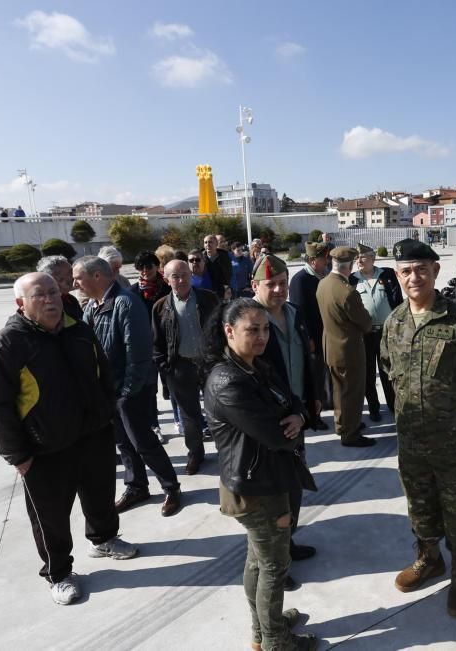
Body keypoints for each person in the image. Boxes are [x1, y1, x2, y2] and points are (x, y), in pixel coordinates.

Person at [0, 273, 138, 605]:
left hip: (93, 435)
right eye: (40, 295)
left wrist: (108, 412)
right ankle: (59, 573)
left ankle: (103, 539)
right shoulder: (7, 344)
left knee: (100, 497)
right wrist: (17, 454)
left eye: (54, 292)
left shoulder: (78, 331)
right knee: (50, 518)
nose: (50, 300)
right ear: (20, 303)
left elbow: (103, 374)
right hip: (44, 450)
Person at [380, 239, 456, 618]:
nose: (413, 277)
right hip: (411, 440)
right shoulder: (394, 321)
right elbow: (388, 370)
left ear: (434, 271)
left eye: (420, 269)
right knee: (419, 503)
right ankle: (428, 557)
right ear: (398, 276)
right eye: (405, 271)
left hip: (453, 441)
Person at [204, 298, 318, 651]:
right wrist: (294, 422)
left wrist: (298, 416)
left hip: (265, 477)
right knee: (273, 565)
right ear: (229, 331)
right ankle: (275, 640)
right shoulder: (228, 380)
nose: (261, 336)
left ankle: (262, 629)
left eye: (266, 328)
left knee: (259, 559)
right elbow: (273, 434)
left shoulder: (255, 366)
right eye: (252, 330)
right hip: (257, 486)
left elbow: (292, 401)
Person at [73, 256, 182, 516]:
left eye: (79, 277)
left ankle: (171, 487)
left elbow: (138, 354)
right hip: (109, 391)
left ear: (97, 276)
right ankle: (136, 486)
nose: (75, 283)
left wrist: (126, 392)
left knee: (143, 441)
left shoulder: (125, 303)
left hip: (129, 390)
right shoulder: (93, 306)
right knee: (122, 443)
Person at [251, 253, 321, 585]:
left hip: (297, 415)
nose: (279, 290)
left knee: (293, 486)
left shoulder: (293, 314)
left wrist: (313, 397)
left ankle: (287, 544)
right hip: (268, 424)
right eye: (271, 284)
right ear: (255, 286)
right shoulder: (247, 320)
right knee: (270, 498)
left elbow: (309, 356)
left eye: (282, 283)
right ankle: (273, 568)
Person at [153, 259, 220, 475]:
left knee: (218, 410)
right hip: (180, 368)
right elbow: (156, 343)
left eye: (184, 274)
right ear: (166, 278)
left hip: (209, 365)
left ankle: (227, 451)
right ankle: (195, 454)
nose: (181, 280)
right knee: (189, 416)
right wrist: (165, 367)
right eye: (175, 276)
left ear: (191, 275)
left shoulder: (208, 298)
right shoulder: (161, 306)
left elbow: (222, 330)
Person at [317, 246, 375, 447]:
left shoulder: (323, 284)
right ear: (349, 265)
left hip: (330, 347)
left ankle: (342, 425)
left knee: (339, 391)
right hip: (348, 350)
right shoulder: (347, 291)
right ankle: (351, 434)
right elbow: (365, 323)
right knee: (352, 393)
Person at [351, 243, 403, 420]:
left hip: (385, 333)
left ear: (372, 258)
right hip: (364, 334)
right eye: (357, 258)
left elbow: (397, 301)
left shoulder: (386, 275)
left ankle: (392, 404)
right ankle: (373, 408)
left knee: (388, 370)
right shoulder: (352, 279)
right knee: (368, 374)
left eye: (362, 257)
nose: (358, 260)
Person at [131, 251, 172, 444]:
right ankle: (154, 424)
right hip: (145, 347)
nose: (145, 271)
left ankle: (184, 421)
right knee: (149, 389)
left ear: (157, 267)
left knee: (171, 386)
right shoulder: (133, 291)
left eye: (149, 266)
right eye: (141, 267)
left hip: (167, 344)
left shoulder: (167, 288)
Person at [289, 242, 330, 408]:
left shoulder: (322, 276)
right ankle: (315, 414)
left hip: (325, 336)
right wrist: (309, 339)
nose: (326, 262)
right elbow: (300, 315)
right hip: (313, 338)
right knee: (314, 378)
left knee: (324, 375)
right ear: (313, 260)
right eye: (323, 259)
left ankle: (326, 403)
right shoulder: (300, 280)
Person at [37, 255, 82, 321]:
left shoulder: (70, 299)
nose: (74, 274)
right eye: (70, 271)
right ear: (56, 279)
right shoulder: (48, 305)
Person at [203, 234, 234, 300]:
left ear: (216, 244)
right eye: (205, 242)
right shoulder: (200, 258)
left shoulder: (225, 257)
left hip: (221, 294)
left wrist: (227, 290)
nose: (207, 244)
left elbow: (228, 275)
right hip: (205, 293)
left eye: (210, 242)